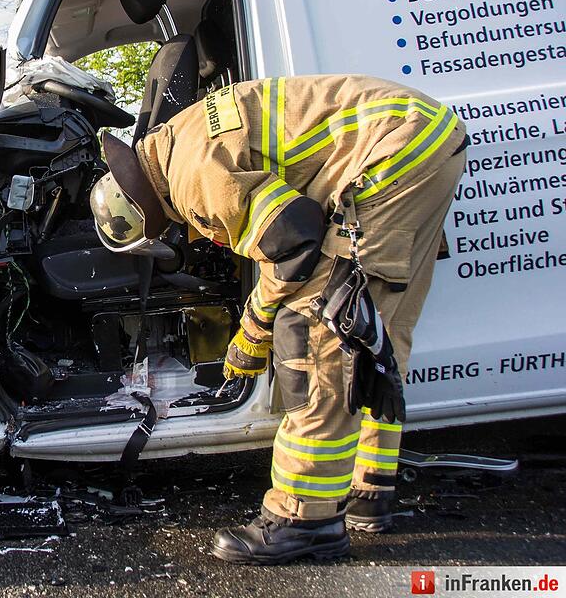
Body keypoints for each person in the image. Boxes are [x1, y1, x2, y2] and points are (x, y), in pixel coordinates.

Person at [89, 74, 467, 565]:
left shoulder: (191, 179)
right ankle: (371, 488)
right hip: (429, 137)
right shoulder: (179, 141)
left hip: (393, 150)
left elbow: (293, 247)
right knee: (377, 330)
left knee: (325, 339)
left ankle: (303, 519)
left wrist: (251, 335)